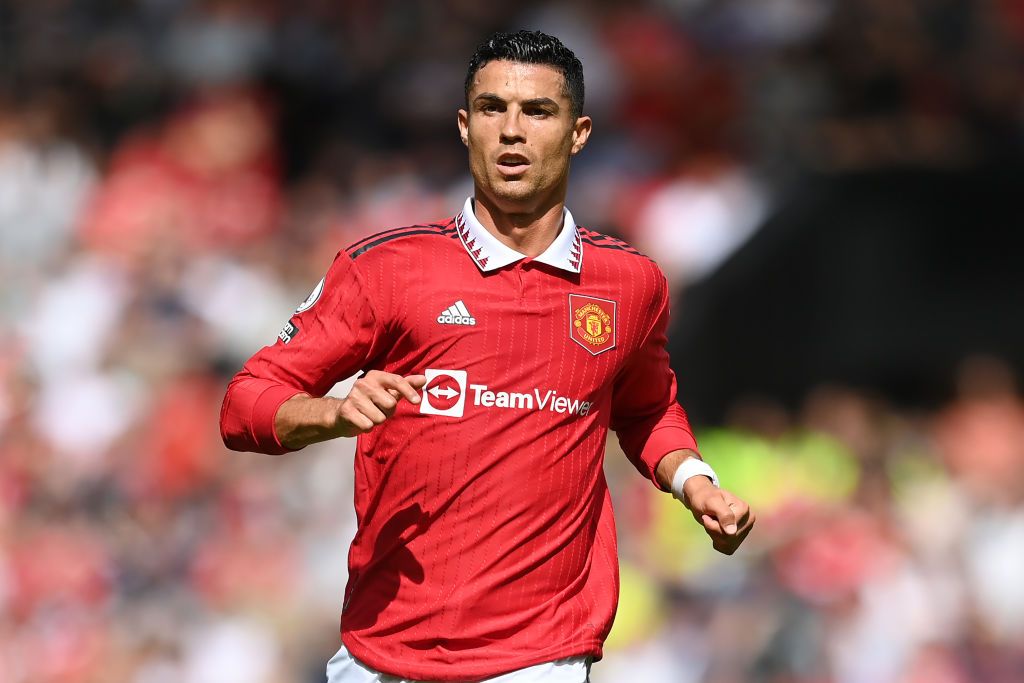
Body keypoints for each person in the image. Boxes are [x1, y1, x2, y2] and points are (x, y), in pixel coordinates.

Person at [220, 30, 754, 683]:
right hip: (385, 650)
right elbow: (244, 404)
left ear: (579, 132)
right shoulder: (386, 268)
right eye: (493, 109)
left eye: (537, 112)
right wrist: (330, 414)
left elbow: (645, 405)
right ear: (465, 126)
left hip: (541, 656)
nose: (512, 131)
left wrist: (694, 482)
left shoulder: (630, 282)